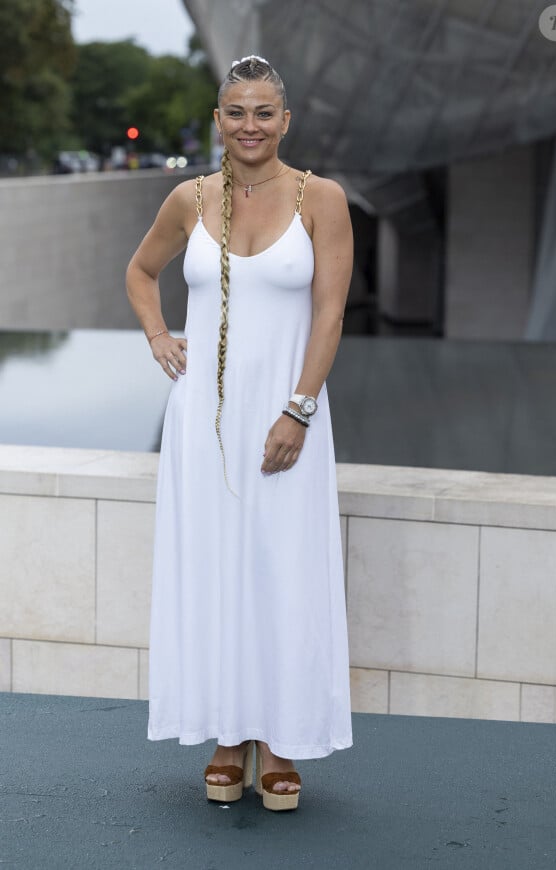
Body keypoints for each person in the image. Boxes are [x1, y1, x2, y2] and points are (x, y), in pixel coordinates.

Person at [126, 55, 353, 812]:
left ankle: (282, 741)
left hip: (288, 416)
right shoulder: (189, 199)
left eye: (264, 113)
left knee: (283, 570)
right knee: (218, 569)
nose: (250, 126)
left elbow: (329, 313)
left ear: (285, 123)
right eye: (236, 112)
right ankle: (230, 735)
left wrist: (300, 409)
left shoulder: (322, 198)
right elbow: (139, 271)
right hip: (203, 424)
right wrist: (160, 334)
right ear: (218, 120)